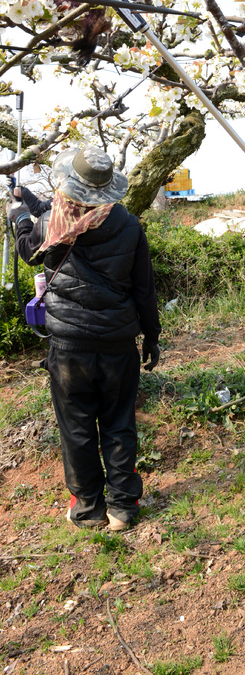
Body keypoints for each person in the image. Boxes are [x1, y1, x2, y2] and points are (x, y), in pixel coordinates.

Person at [8, 146, 161, 532]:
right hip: (118, 343)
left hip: (68, 347)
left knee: (76, 426)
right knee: (119, 421)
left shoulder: (54, 222)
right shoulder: (128, 224)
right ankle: (123, 507)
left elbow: (28, 249)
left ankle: (88, 506)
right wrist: (152, 338)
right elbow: (144, 290)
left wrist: (18, 217)